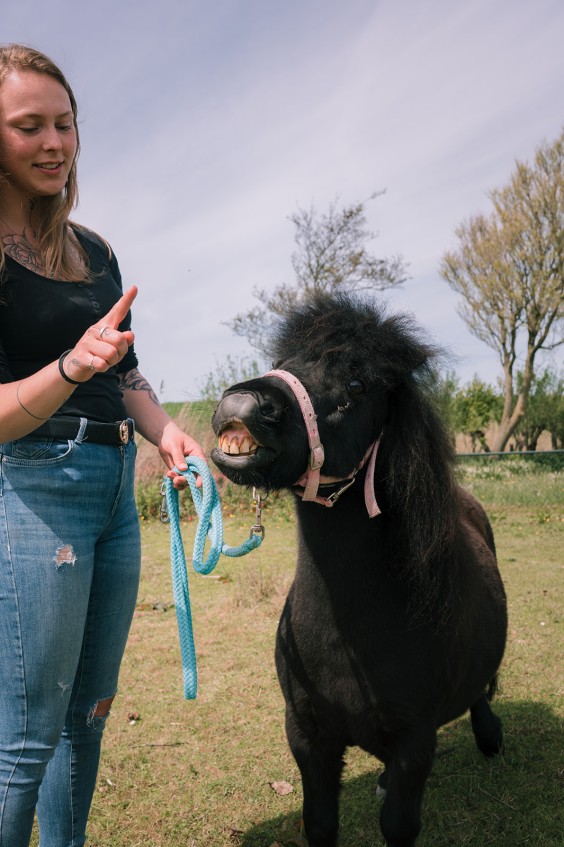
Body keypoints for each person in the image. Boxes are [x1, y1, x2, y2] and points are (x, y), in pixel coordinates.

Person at [0, 43, 206, 845]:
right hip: (33, 489)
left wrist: (167, 431)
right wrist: (68, 366)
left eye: (65, 123)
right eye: (29, 126)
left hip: (117, 487)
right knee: (25, 739)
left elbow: (126, 374)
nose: (54, 142)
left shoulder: (95, 252)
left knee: (87, 715)